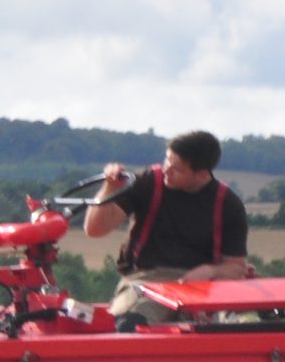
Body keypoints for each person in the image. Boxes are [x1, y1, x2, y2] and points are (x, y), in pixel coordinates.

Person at [85, 130, 252, 324]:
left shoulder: (228, 204)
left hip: (203, 288)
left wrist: (210, 271)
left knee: (243, 324)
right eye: (167, 161)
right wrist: (109, 189)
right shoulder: (149, 183)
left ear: (202, 174)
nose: (166, 170)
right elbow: (95, 229)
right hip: (147, 280)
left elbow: (236, 267)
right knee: (128, 323)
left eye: (177, 169)